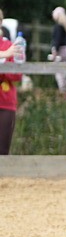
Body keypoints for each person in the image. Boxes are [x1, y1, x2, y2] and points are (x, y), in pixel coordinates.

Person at [0, 27, 20, 155]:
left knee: (3, 150)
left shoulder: (10, 46)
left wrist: (3, 72)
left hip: (5, 101)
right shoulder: (8, 50)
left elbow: (17, 74)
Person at [50, 6, 66, 94]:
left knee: (59, 72)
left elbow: (57, 40)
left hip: (61, 51)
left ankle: (63, 91)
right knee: (64, 72)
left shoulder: (58, 27)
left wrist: (55, 51)